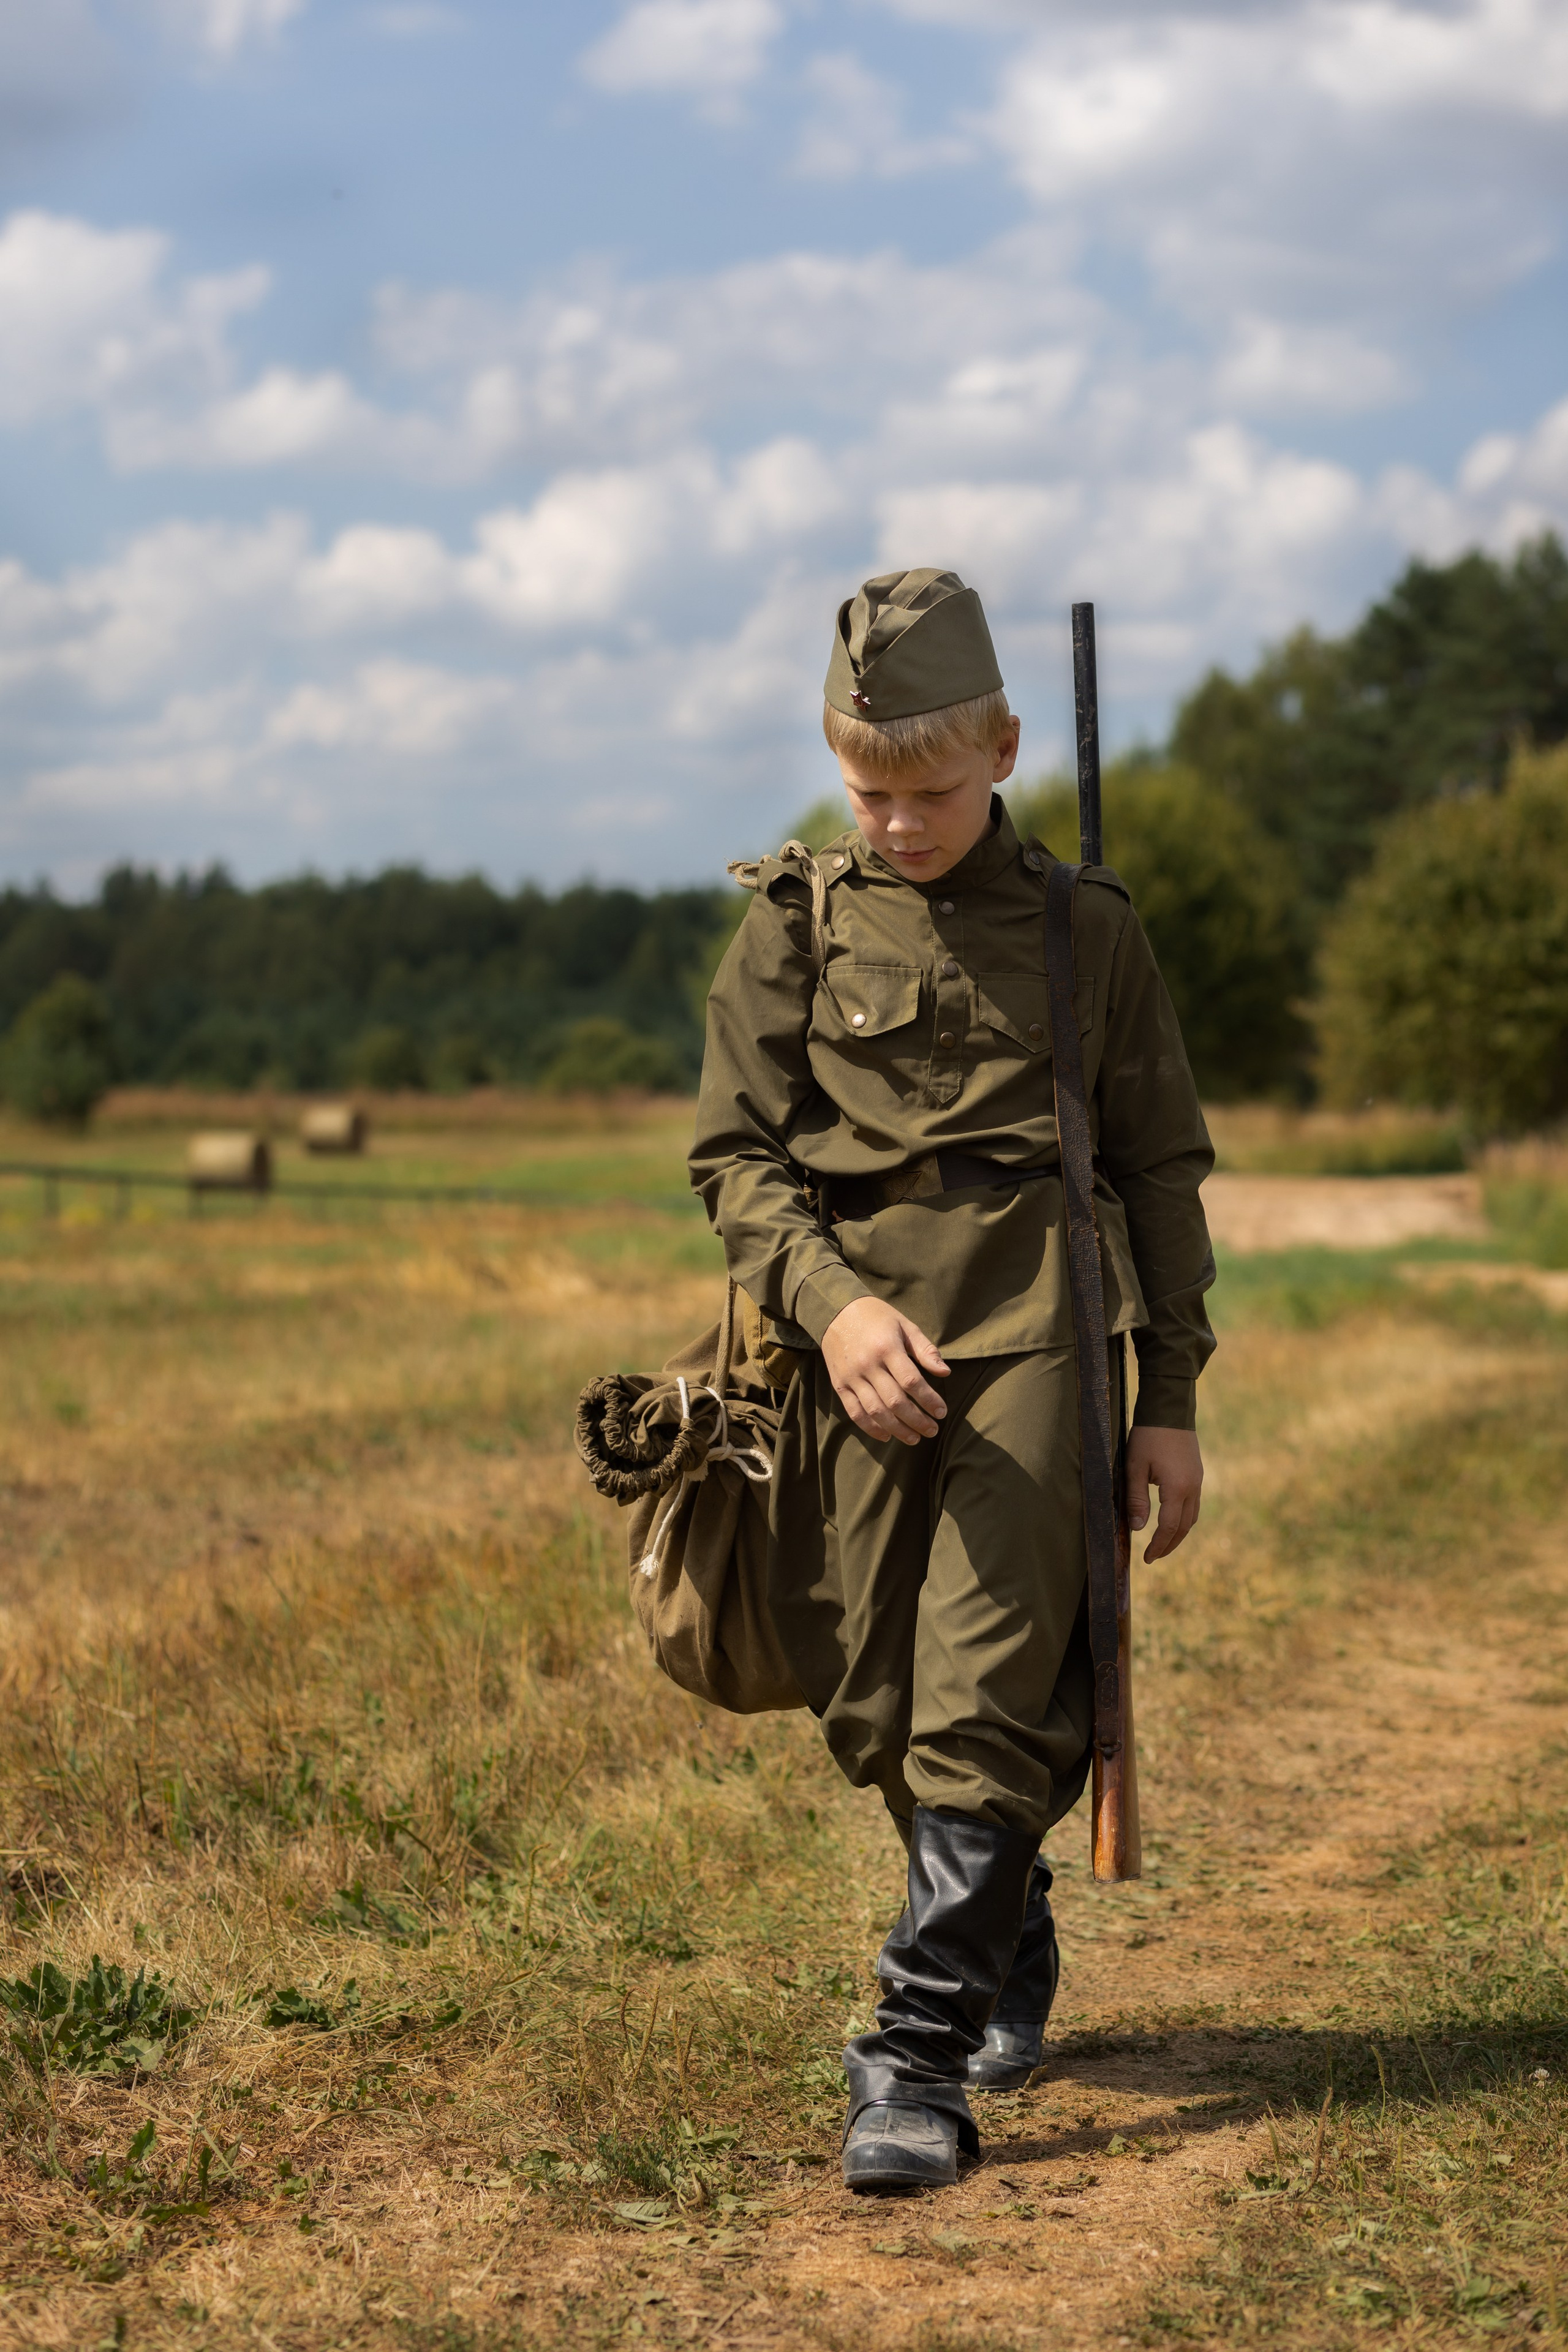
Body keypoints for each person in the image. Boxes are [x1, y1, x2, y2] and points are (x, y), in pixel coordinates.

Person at [690, 568, 1215, 2193]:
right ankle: (1006, 1922)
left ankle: (909, 2057)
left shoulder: (1085, 933)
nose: (900, 822)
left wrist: (1170, 1394)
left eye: (927, 788)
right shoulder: (791, 922)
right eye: (868, 790)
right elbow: (735, 1162)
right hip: (847, 1348)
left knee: (985, 1695)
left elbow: (1160, 1168)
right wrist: (834, 1312)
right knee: (878, 1703)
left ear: (1001, 744)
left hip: (1038, 1335)